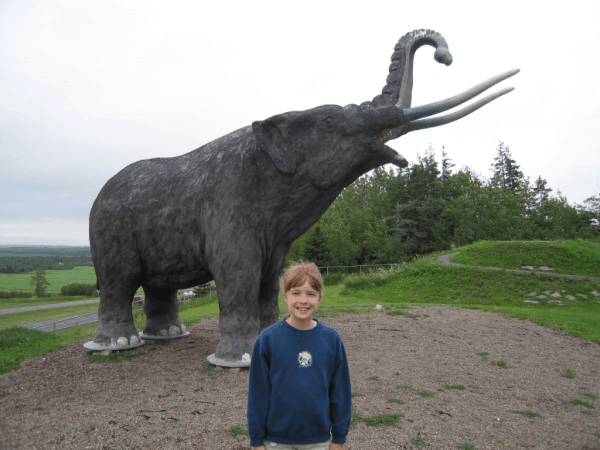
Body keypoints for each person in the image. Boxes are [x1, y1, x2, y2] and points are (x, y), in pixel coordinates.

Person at [247, 263, 352, 450]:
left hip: (318, 440)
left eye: (310, 294)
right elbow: (258, 394)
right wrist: (256, 440)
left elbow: (340, 392)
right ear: (285, 295)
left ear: (319, 297)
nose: (303, 300)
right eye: (296, 293)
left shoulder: (331, 339)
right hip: (276, 441)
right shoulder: (268, 339)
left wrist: (339, 437)